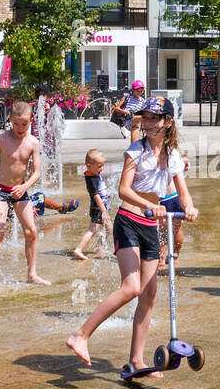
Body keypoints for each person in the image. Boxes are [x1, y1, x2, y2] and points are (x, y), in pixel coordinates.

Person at [66, 97, 198, 374]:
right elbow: (123, 190)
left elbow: (182, 191)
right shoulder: (136, 151)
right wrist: (152, 206)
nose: (147, 122)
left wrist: (189, 207)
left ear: (167, 122)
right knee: (132, 287)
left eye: (153, 118)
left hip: (151, 226)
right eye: (145, 117)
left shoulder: (172, 156)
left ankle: (136, 360)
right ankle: (81, 335)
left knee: (149, 294)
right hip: (128, 221)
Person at [0, 100, 50, 285]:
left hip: (19, 190)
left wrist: (25, 187)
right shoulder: (2, 140)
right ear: (10, 120)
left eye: (24, 124)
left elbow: (37, 173)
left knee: (31, 231)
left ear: (31, 121)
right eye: (16, 123)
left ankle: (31, 274)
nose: (19, 127)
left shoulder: (33, 143)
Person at [73, 149, 110, 260]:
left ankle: (99, 247)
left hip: (101, 208)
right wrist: (103, 211)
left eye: (102, 166)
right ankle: (79, 249)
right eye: (99, 166)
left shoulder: (93, 174)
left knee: (109, 228)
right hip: (98, 209)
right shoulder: (91, 179)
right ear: (88, 166)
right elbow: (96, 195)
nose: (101, 169)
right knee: (92, 230)